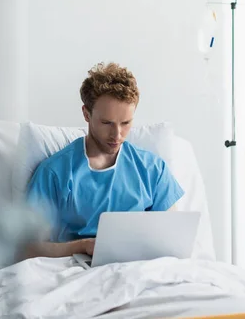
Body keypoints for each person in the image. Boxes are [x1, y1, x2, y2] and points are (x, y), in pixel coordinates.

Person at [24, 62, 184, 259]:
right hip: (78, 269)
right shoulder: (56, 172)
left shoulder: (152, 170)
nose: (117, 135)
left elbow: (174, 240)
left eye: (126, 123)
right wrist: (83, 246)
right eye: (107, 123)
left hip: (141, 268)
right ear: (86, 114)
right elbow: (27, 249)